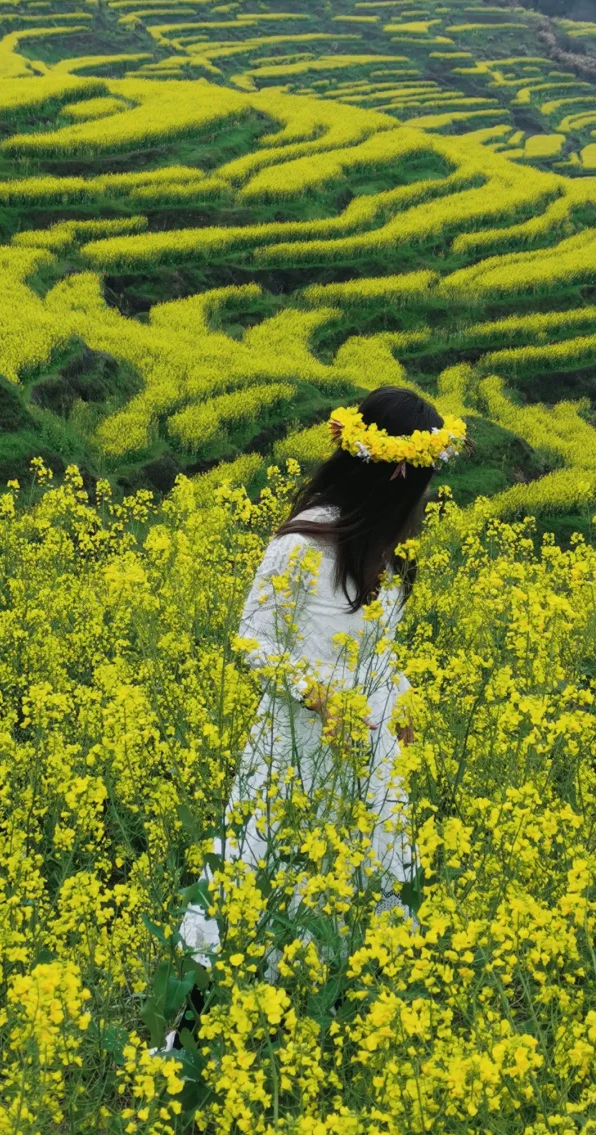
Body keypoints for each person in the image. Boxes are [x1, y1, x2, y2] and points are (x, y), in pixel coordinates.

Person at [177, 386, 466, 988]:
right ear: (390, 477)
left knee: (357, 890)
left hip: (369, 749)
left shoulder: (386, 554)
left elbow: (378, 648)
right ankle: (211, 1022)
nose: (423, 502)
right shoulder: (301, 545)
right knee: (263, 879)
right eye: (419, 485)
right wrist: (319, 696)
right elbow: (252, 641)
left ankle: (325, 1020)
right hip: (298, 750)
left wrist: (403, 697)